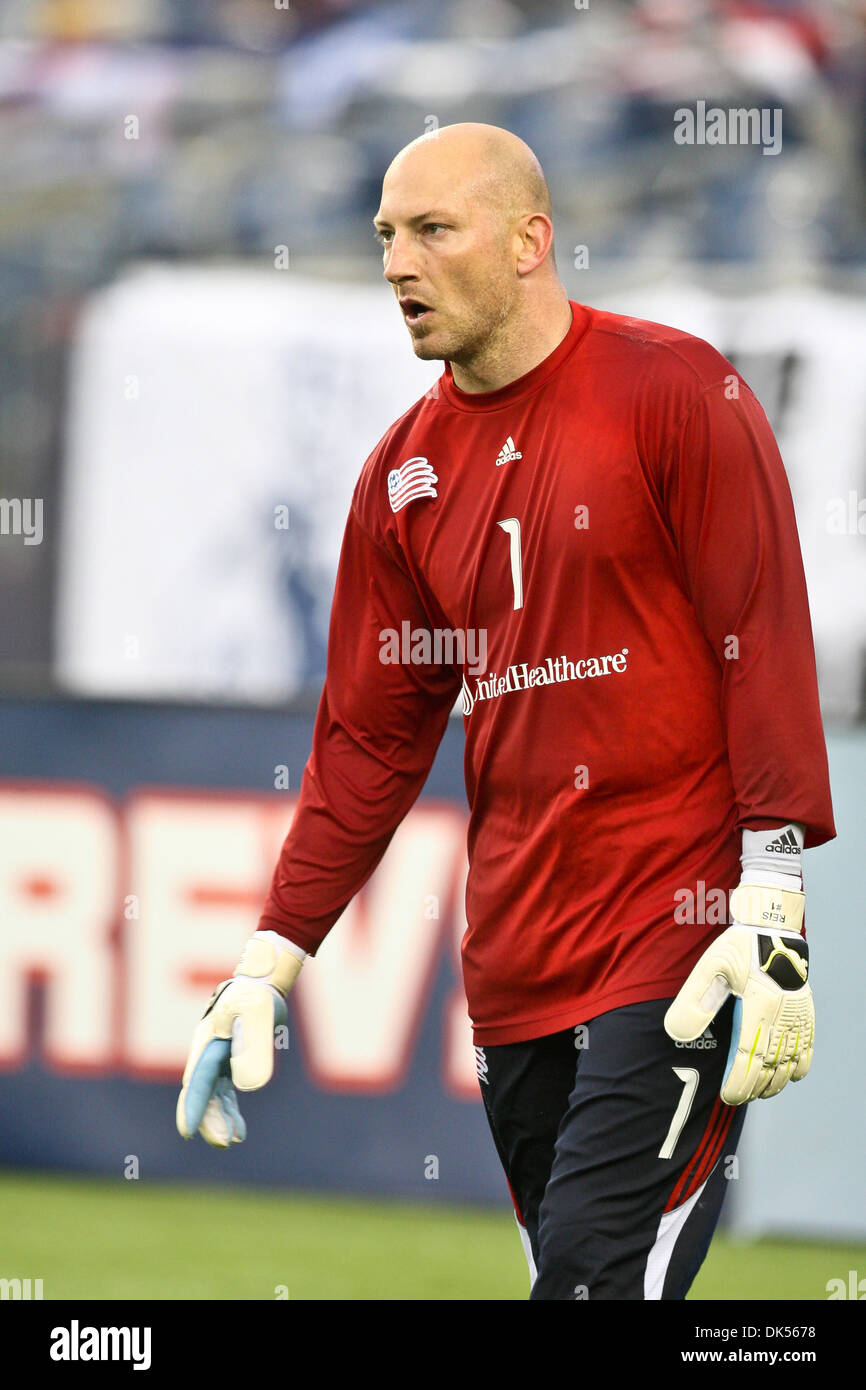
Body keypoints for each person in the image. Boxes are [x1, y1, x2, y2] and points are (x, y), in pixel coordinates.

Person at [176, 123, 835, 1300]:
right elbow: (369, 746)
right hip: (517, 970)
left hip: (671, 946)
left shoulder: (675, 391)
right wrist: (265, 963)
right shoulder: (398, 478)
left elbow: (762, 642)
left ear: (530, 240)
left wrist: (774, 904)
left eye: (432, 230)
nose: (395, 263)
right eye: (384, 235)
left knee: (586, 1279)